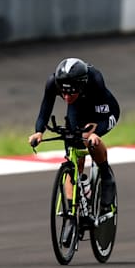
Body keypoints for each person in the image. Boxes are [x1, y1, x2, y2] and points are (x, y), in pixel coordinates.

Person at [28, 57, 120, 212]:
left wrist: (95, 133)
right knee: (73, 149)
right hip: (77, 108)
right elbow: (45, 108)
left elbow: (101, 117)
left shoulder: (95, 79)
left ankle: (106, 177)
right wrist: (38, 131)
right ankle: (72, 210)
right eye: (63, 93)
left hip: (104, 112)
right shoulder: (53, 82)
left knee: (87, 139)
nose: (66, 98)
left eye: (70, 93)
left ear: (81, 85)